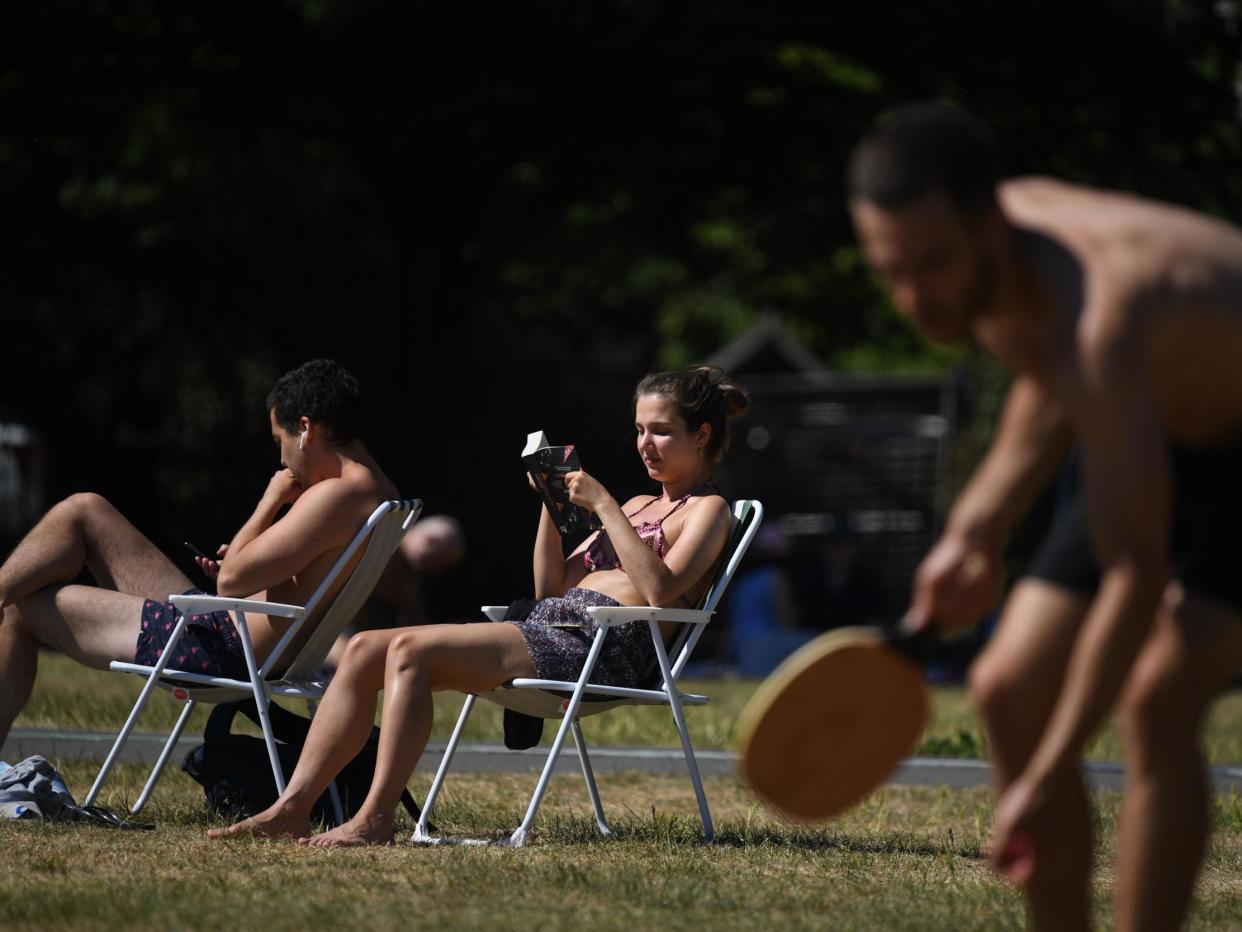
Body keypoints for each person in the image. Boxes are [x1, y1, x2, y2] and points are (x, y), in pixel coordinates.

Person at [847, 101, 1242, 931]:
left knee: (1159, 696)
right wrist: (975, 529)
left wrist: (1046, 772)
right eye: (891, 271)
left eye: (931, 264)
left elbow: (1134, 579)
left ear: (989, 223)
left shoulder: (1102, 317)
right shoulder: (996, 252)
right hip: (1150, 418)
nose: (916, 298)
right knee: (1004, 685)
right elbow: (1043, 372)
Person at [207, 364, 749, 847]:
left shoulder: (709, 510)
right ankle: (293, 807)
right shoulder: (637, 504)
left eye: (660, 431)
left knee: (410, 650)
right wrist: (550, 506)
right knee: (367, 649)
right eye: (638, 430)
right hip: (555, 628)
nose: (644, 444)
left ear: (701, 435)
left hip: (607, 649)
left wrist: (604, 506)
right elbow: (549, 590)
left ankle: (374, 818)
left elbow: (660, 589)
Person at [0, 359, 398, 749]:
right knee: (86, 510)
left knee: (20, 604)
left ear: (306, 430)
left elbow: (231, 580)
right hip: (221, 630)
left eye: (280, 442)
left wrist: (271, 499)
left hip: (215, 649)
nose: (282, 461)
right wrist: (246, 564)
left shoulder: (336, 496)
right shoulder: (381, 493)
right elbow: (280, 576)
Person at [324, 514, 468, 668]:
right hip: (329, 638)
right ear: (429, 540)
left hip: (345, 641)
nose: (436, 570)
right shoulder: (381, 553)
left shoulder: (406, 570)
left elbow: (413, 622)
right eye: (439, 560)